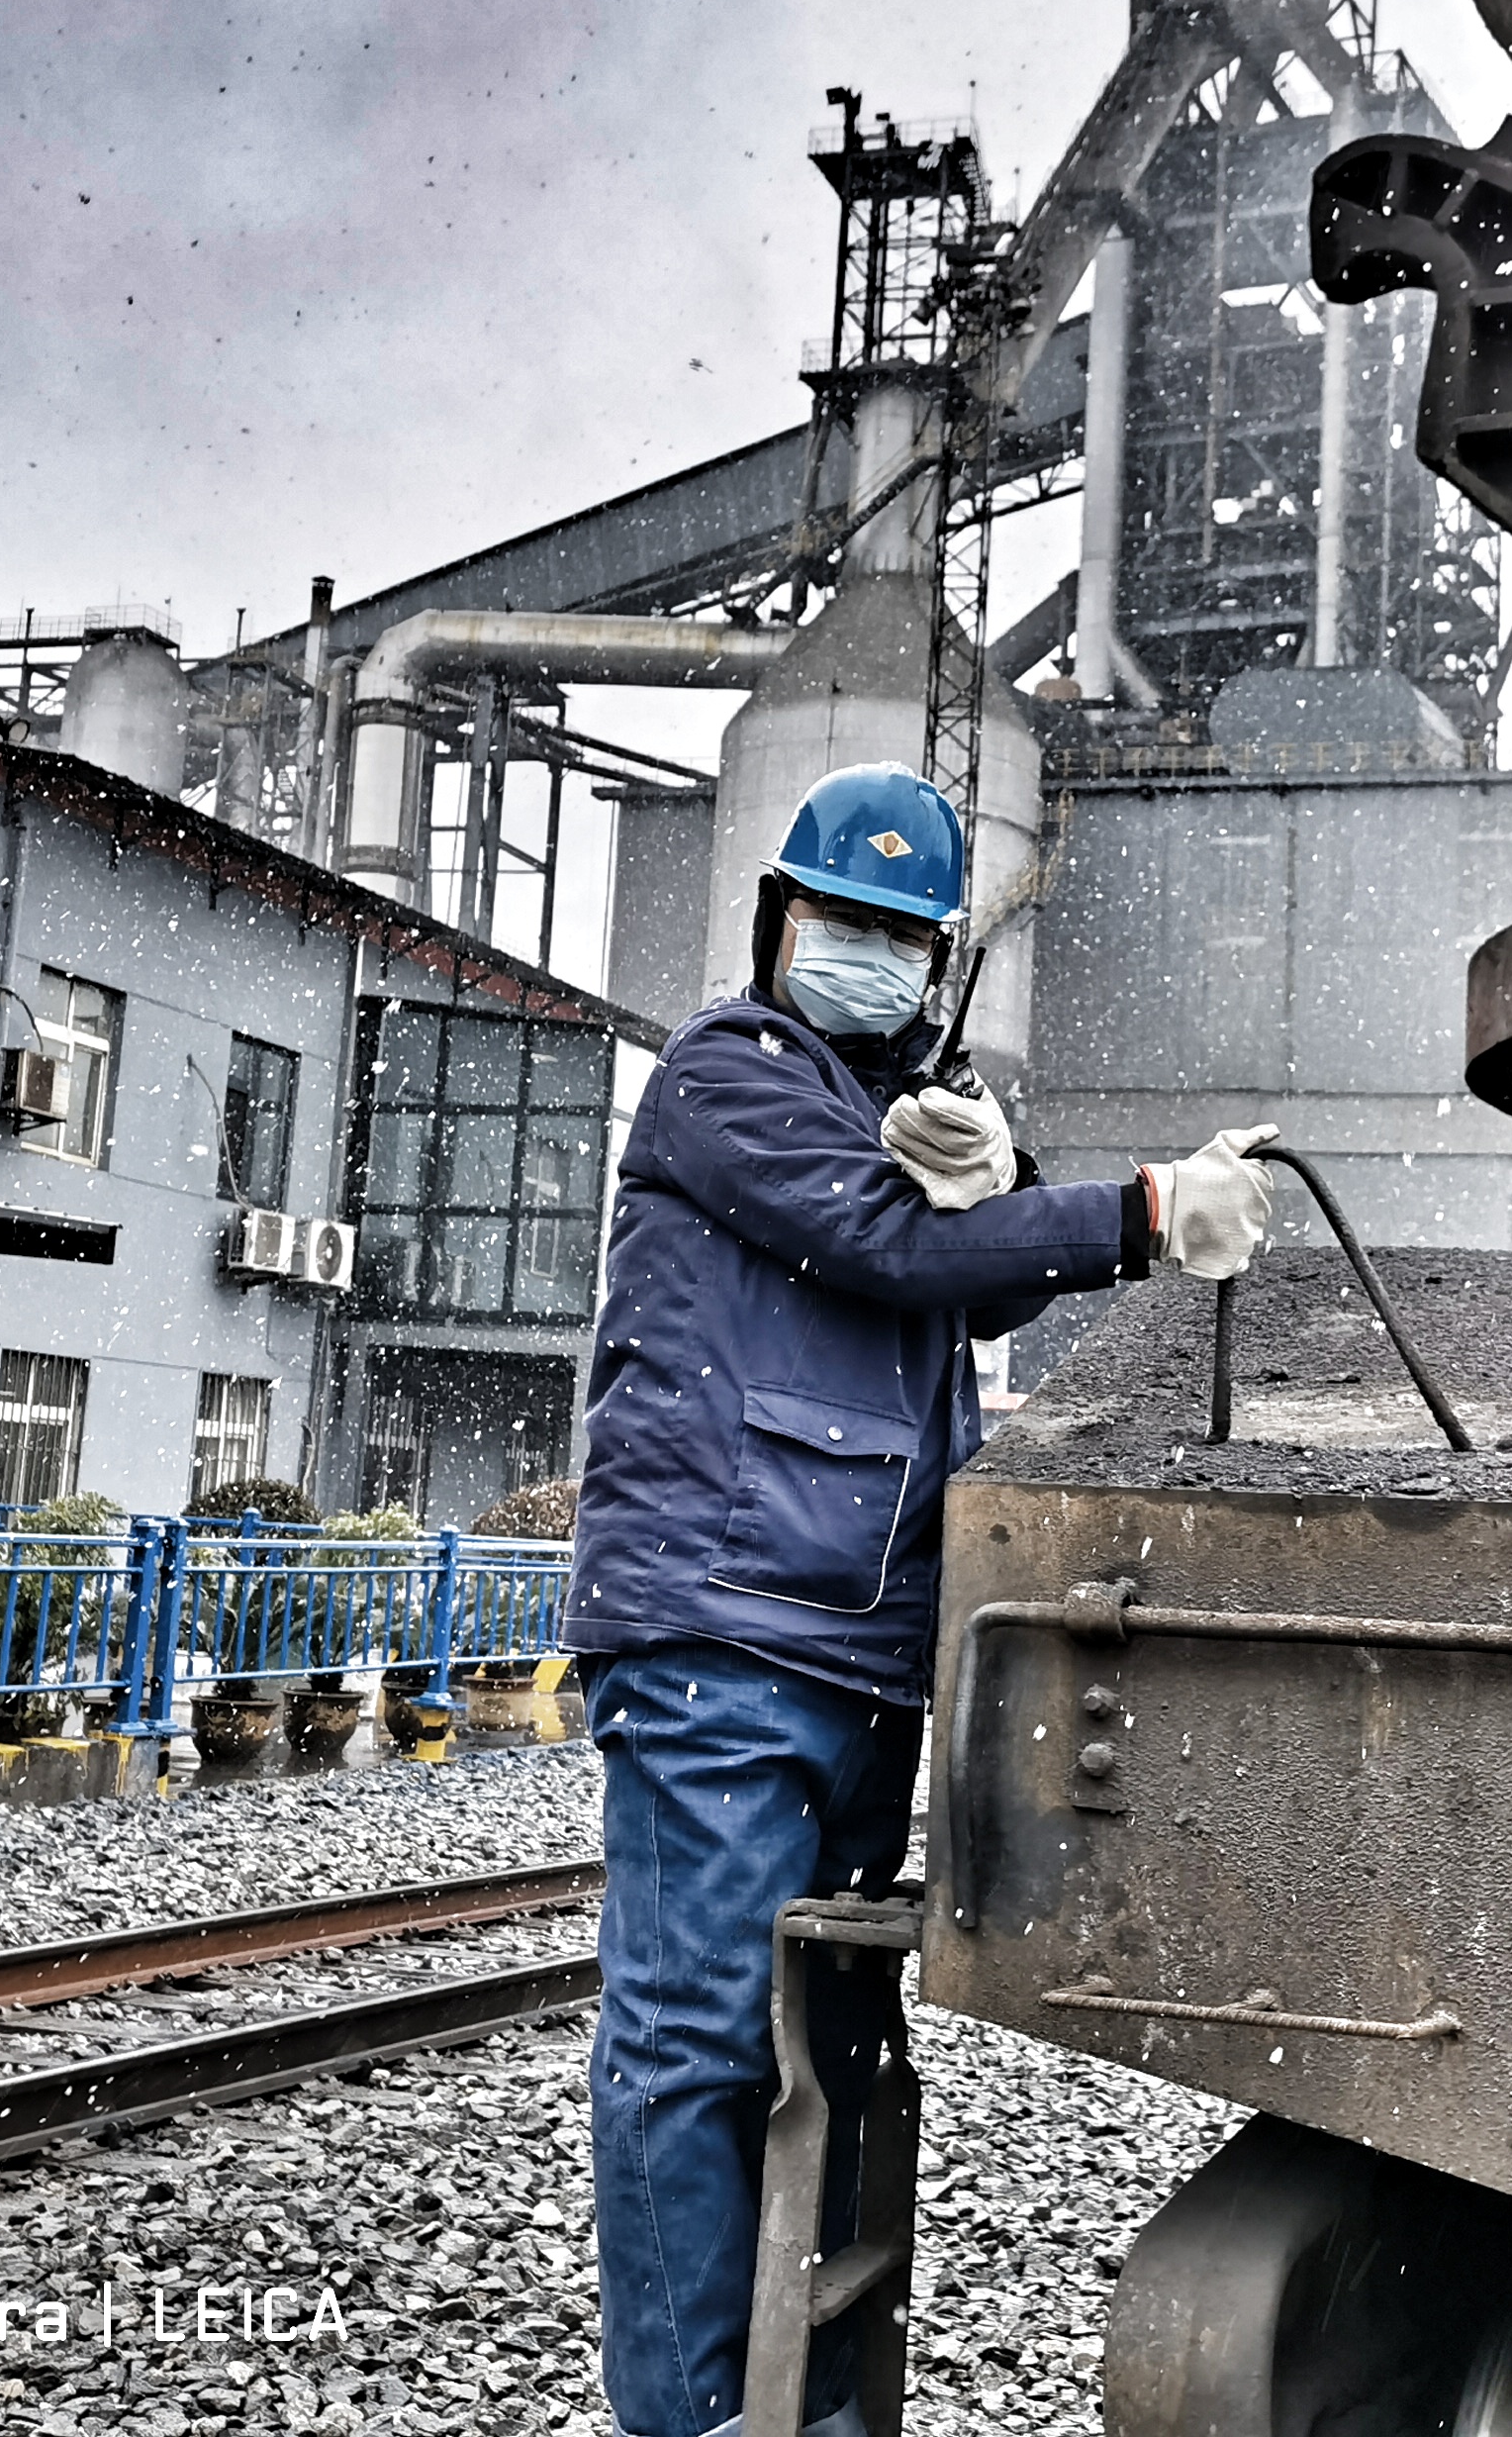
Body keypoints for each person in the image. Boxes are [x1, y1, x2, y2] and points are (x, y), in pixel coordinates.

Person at [565, 759, 1281, 2437]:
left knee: (824, 2047)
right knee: (697, 2042)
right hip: (723, 1629)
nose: (867, 952)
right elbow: (889, 1247)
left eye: (900, 933)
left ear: (941, 959)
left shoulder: (884, 1117)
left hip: (857, 1650)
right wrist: (1141, 1209)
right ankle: (689, 2416)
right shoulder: (724, 1078)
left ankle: (802, 2402)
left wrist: (1001, 1168)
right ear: (778, 921)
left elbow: (963, 1267)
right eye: (842, 919)